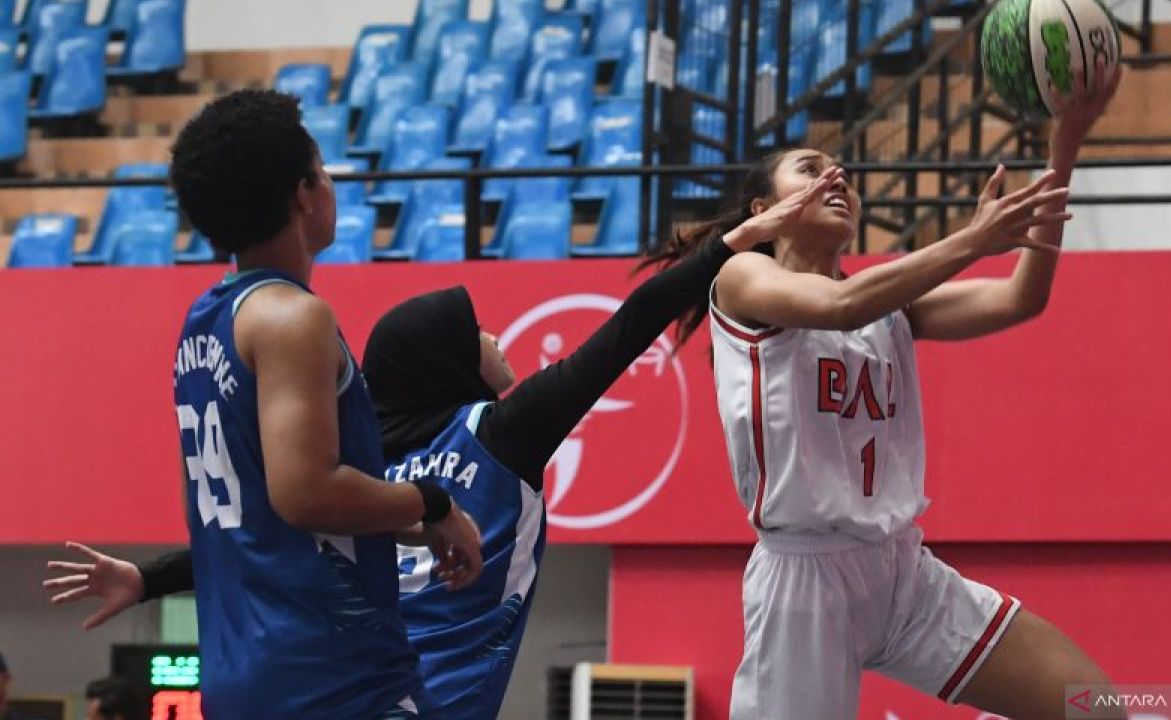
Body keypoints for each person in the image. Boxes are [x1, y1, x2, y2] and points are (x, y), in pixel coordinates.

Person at [45, 180, 825, 719]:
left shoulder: (354, 466)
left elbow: (269, 527)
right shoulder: (506, 432)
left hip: (330, 686)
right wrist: (738, 240)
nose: (493, 336)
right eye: (476, 330)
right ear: (447, 361)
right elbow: (633, 324)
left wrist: (146, 578)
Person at [645, 68, 1124, 719]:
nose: (836, 177)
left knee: (1096, 706)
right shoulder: (741, 278)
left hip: (902, 570)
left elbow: (1022, 297)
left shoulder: (886, 304)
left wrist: (1064, 145)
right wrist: (972, 238)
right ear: (764, 211)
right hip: (804, 581)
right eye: (810, 168)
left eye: (842, 171)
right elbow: (840, 304)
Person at [42, 90, 482, 720]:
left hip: (248, 682)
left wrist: (424, 525)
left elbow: (265, 521)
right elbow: (305, 494)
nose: (331, 183)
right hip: (333, 681)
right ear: (303, 194)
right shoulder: (292, 318)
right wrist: (434, 501)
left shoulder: (205, 320)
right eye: (323, 170)